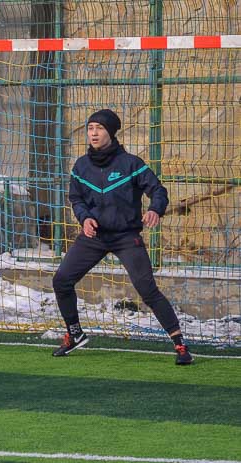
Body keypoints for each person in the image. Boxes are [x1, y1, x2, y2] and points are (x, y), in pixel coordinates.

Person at [51, 109, 194, 366]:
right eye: (90, 128)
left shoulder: (131, 164)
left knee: (147, 289)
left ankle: (180, 345)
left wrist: (155, 209)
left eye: (99, 128)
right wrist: (84, 218)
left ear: (111, 132)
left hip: (126, 236)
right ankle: (74, 335)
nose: (93, 133)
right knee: (61, 280)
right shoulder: (81, 166)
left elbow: (158, 190)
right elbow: (76, 198)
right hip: (94, 236)